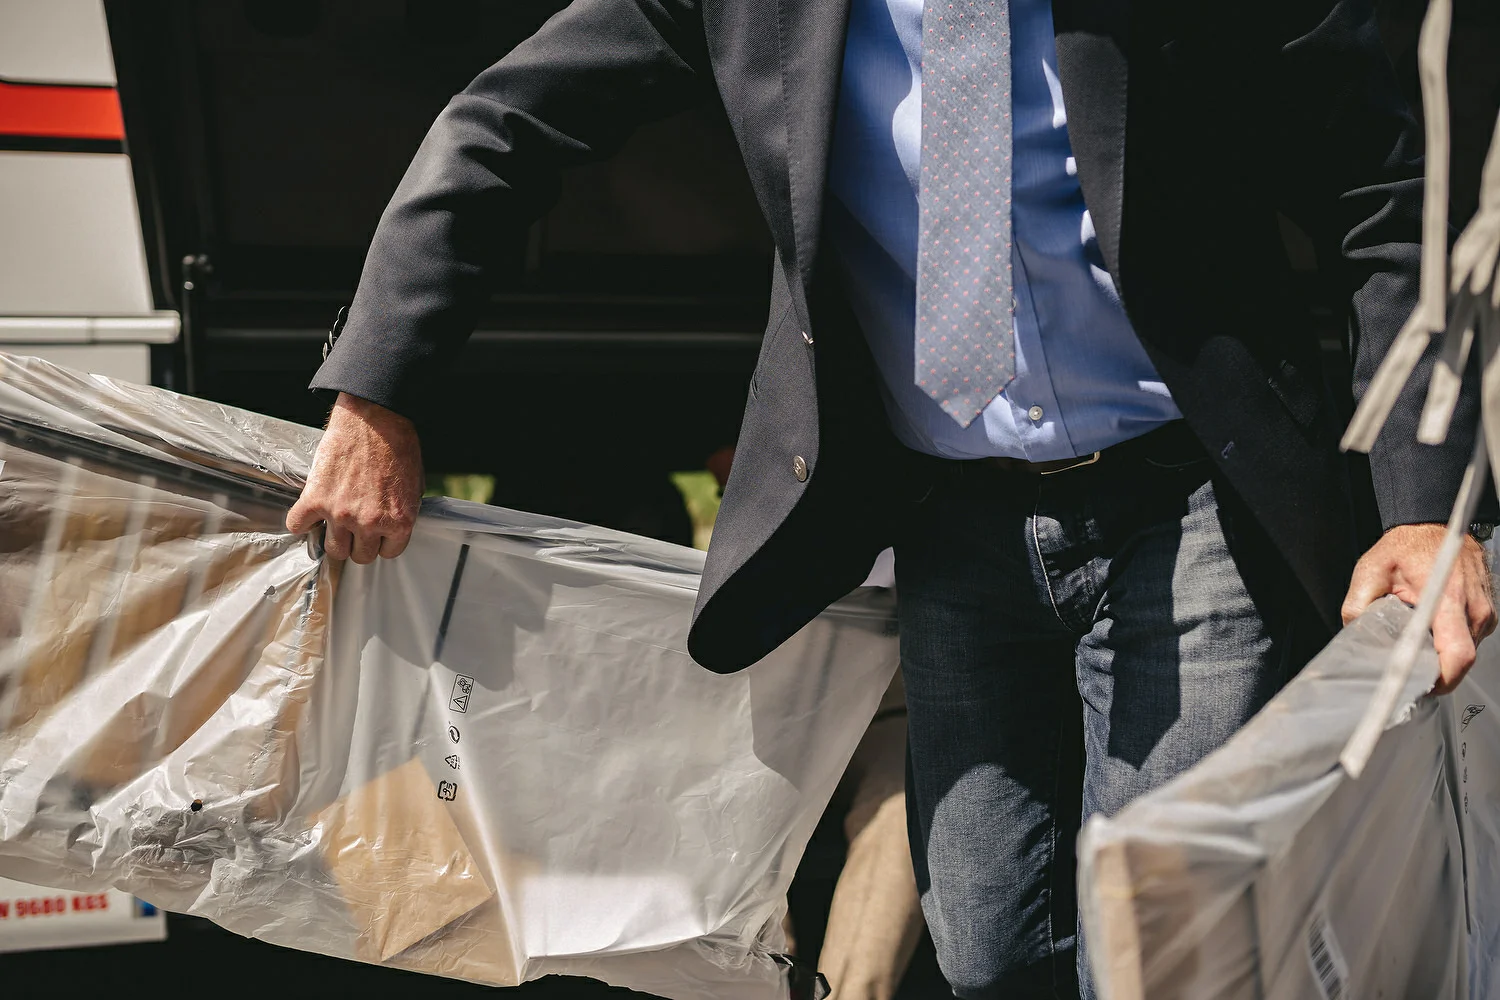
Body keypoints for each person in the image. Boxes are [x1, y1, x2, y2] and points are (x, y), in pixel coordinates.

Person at [286, 2, 1497, 996]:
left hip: (1188, 500)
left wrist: (1424, 503)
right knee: (990, 946)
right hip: (956, 522)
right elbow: (506, 121)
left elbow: (1393, 189)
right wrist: (378, 390)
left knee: (1162, 947)